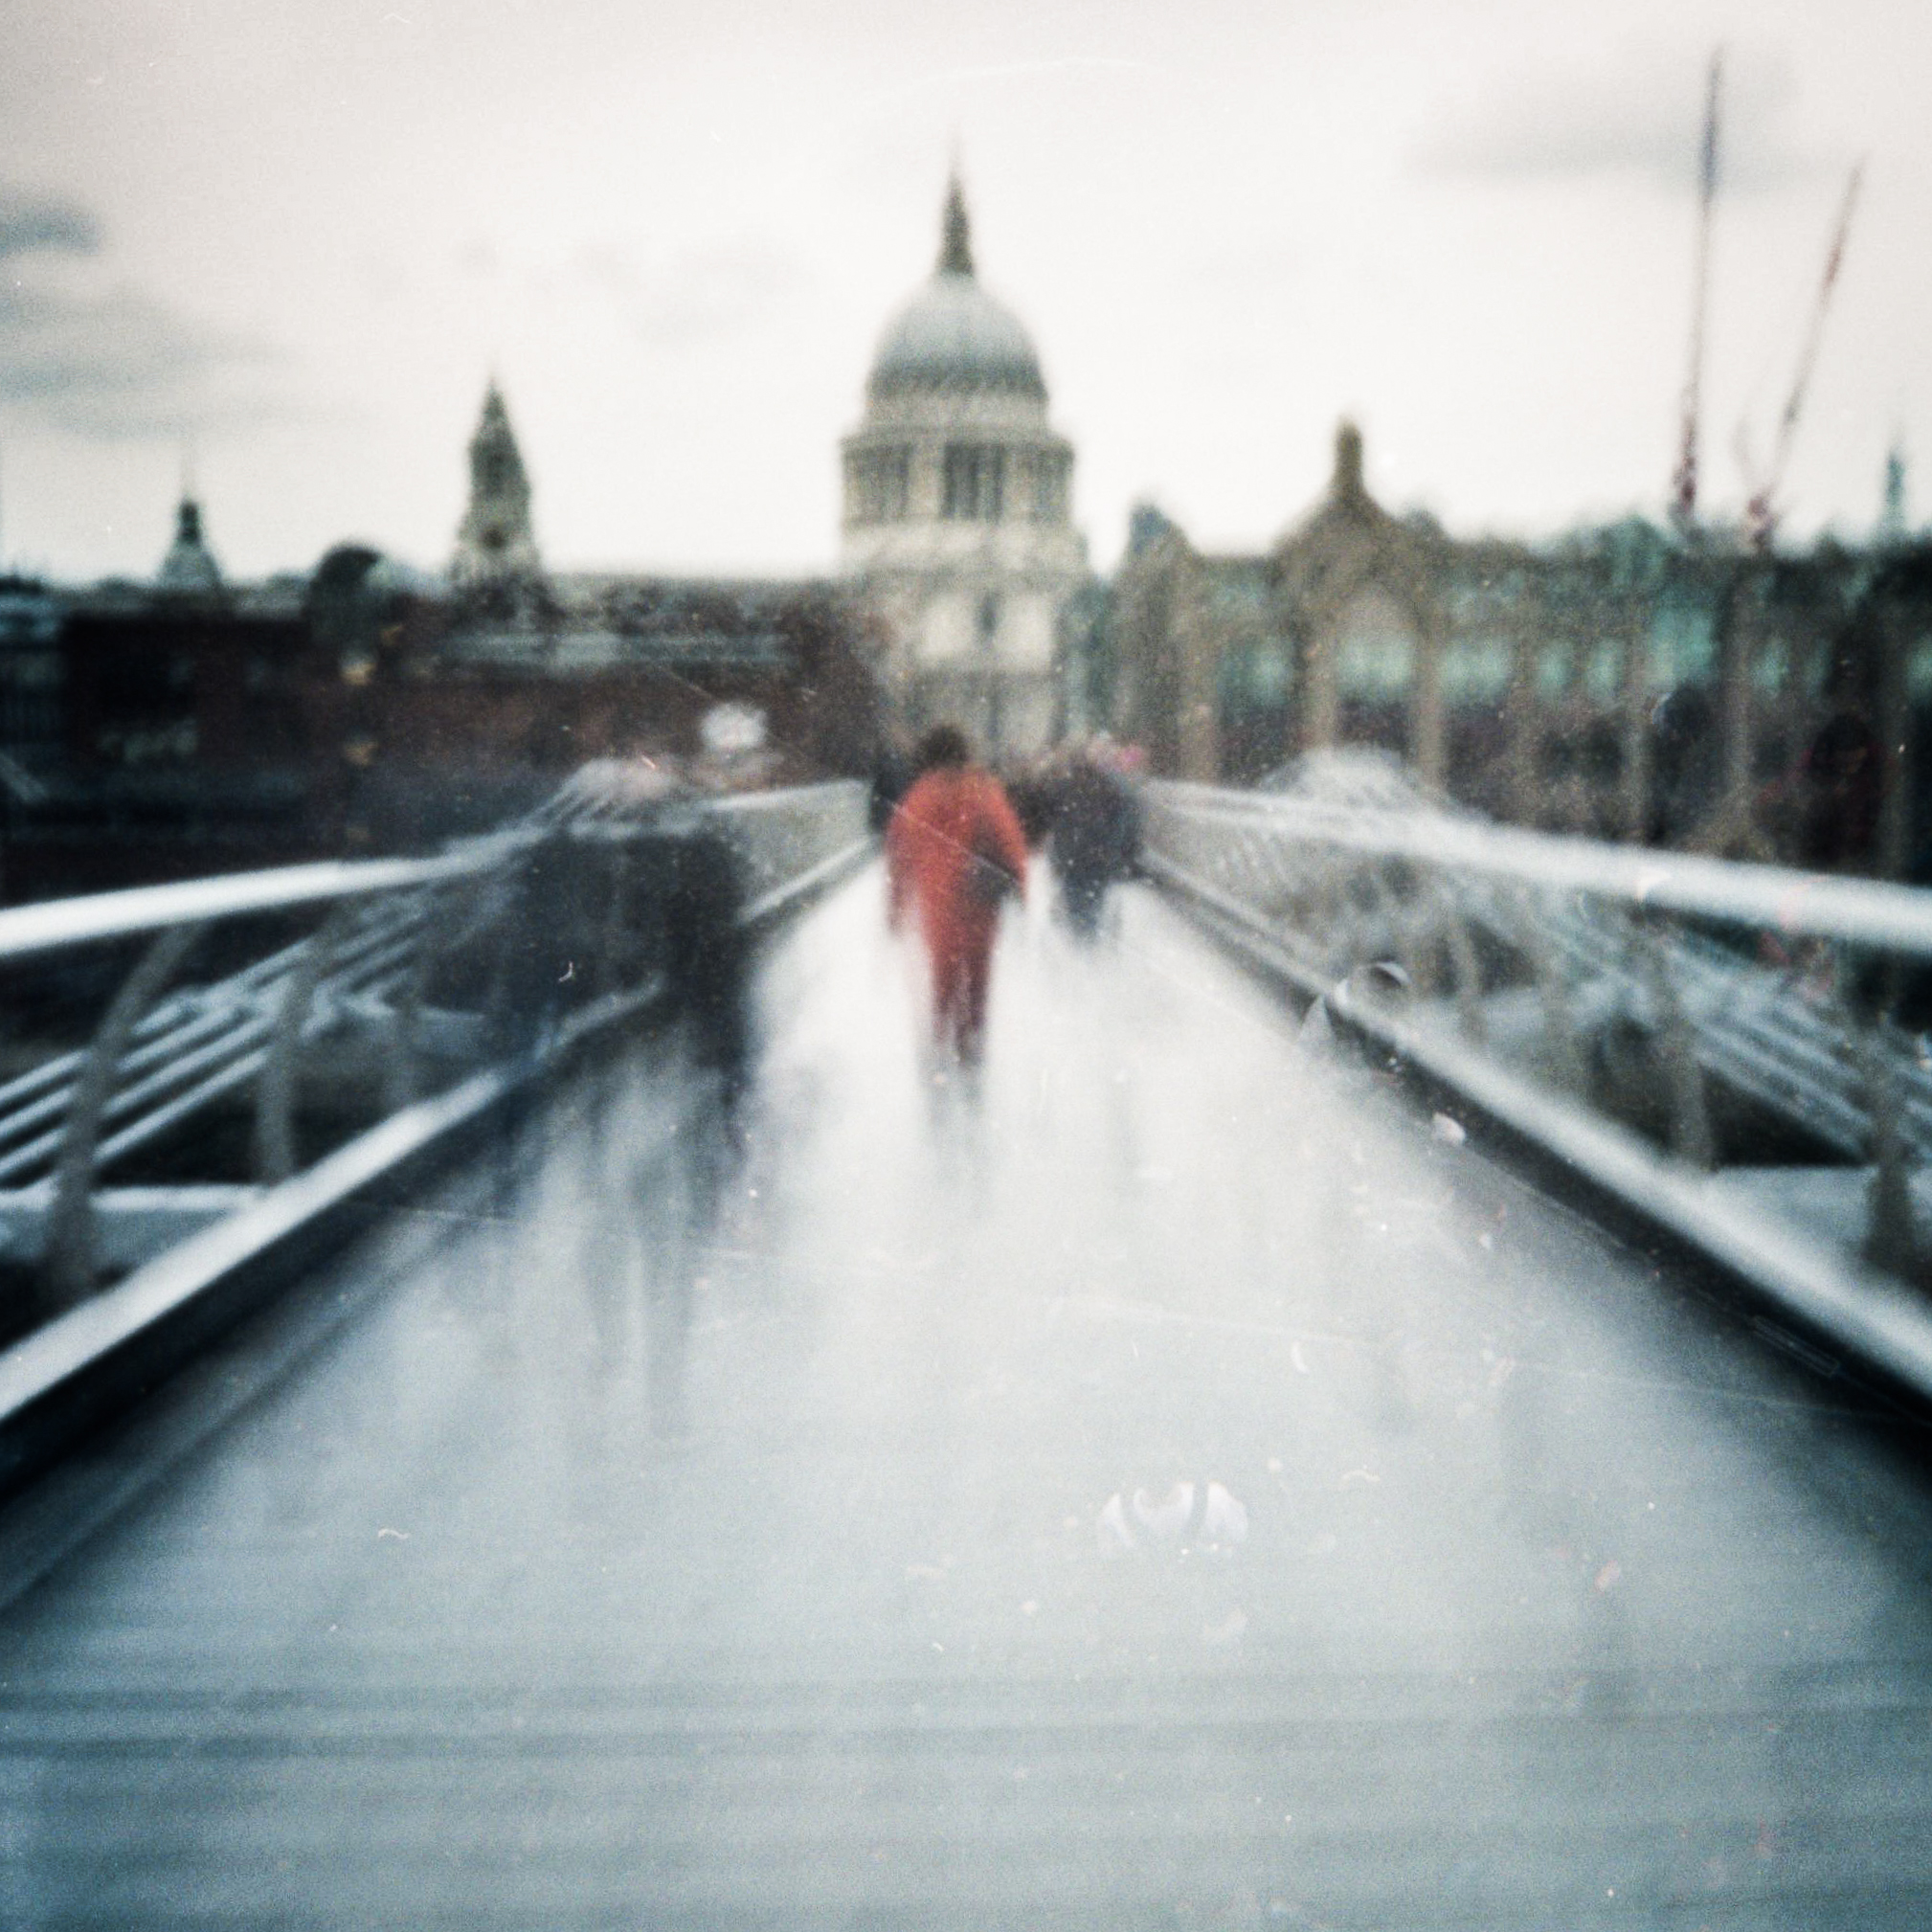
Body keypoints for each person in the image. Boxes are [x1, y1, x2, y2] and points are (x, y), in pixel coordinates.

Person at [887, 724, 1030, 1069]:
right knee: (978, 976)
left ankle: (941, 1043)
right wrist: (1021, 887)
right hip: (978, 901)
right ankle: (971, 1047)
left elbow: (898, 855)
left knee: (943, 976)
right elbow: (1010, 839)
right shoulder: (984, 790)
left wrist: (896, 907)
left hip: (939, 906)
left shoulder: (918, 796)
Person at [1047, 749, 1141, 940]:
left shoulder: (1067, 788)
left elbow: (1058, 825)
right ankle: (1087, 937)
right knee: (1092, 901)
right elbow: (1122, 826)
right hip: (1096, 859)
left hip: (1074, 859)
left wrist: (1058, 857)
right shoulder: (1110, 789)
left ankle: (1079, 937)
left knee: (1077, 901)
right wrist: (1117, 854)